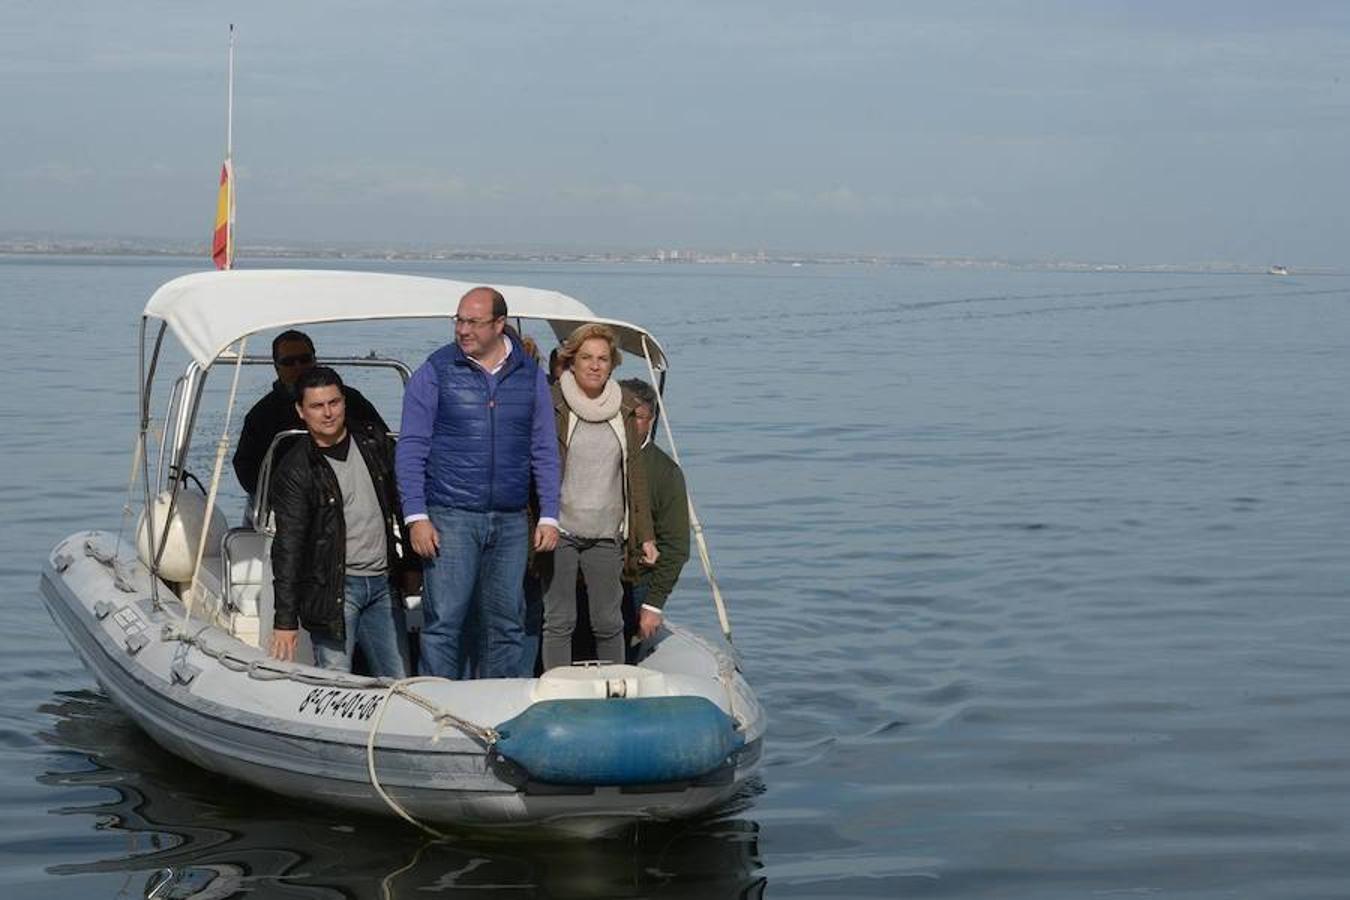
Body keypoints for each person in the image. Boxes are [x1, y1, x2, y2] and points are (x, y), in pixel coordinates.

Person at [396, 287, 560, 679]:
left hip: (509, 519)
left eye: (473, 322)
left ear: (499, 324)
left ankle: (498, 704)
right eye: (458, 320)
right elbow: (411, 448)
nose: (462, 329)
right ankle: (434, 705)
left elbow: (543, 448)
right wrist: (416, 516)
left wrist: (550, 516)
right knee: (444, 622)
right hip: (450, 516)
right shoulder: (435, 371)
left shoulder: (529, 376)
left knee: (507, 622)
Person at [269, 367, 411, 676]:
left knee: (400, 679)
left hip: (384, 583)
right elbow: (288, 547)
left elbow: (402, 506)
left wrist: (411, 567)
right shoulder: (295, 469)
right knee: (335, 681)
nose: (328, 413)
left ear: (344, 402)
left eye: (334, 402)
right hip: (334, 589)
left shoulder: (375, 442)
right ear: (301, 412)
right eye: (317, 406)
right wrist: (285, 621)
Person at [542, 324, 658, 670]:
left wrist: (646, 536)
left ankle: (614, 689)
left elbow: (635, 477)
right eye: (587, 358)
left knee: (608, 621)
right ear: (572, 362)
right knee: (559, 620)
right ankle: (558, 690)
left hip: (607, 532)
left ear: (613, 364)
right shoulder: (552, 405)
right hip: (559, 529)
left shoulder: (626, 407)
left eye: (603, 359)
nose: (595, 365)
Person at [233, 330, 389, 498]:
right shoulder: (261, 415)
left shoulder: (352, 400)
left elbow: (383, 442)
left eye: (304, 359)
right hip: (286, 497)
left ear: (315, 360)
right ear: (277, 367)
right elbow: (246, 468)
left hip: (352, 491)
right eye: (289, 362)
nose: (298, 367)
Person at [618, 378, 691, 644]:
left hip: (637, 582)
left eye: (637, 416)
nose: (629, 422)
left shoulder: (665, 472)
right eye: (622, 413)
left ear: (650, 419)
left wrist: (653, 604)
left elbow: (676, 545)